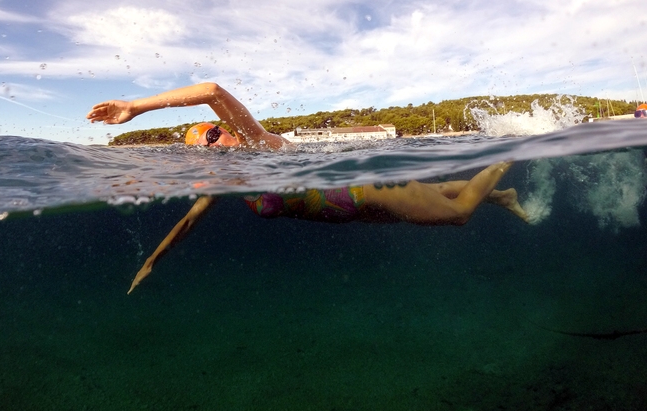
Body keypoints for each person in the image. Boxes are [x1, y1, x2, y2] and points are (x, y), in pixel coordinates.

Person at [87, 82, 527, 293]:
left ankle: (514, 148)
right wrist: (151, 262)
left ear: (228, 131)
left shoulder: (261, 144)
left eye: (211, 134)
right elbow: (188, 222)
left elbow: (212, 90)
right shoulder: (230, 181)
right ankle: (503, 196)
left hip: (367, 190)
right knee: (443, 192)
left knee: (459, 212)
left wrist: (135, 106)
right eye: (199, 148)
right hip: (354, 214)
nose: (209, 147)